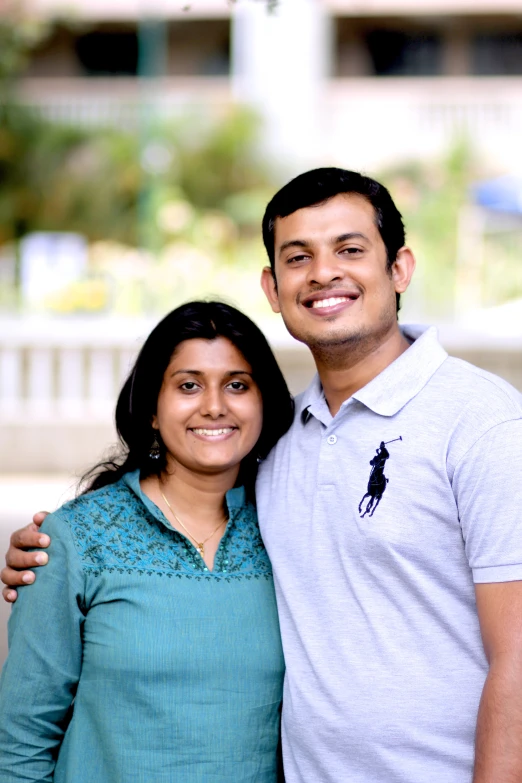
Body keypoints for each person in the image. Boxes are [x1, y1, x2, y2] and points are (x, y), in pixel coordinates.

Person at [4, 167, 522, 783]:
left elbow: (517, 658)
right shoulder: (282, 446)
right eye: (298, 257)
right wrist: (56, 548)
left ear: (400, 268)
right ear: (273, 288)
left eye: (350, 250)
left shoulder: (483, 421)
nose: (324, 272)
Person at [0, 300, 293, 782]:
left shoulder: (293, 530)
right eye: (188, 385)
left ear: (265, 403)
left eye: (237, 385)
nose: (215, 404)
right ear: (153, 410)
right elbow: (22, 744)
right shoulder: (77, 539)